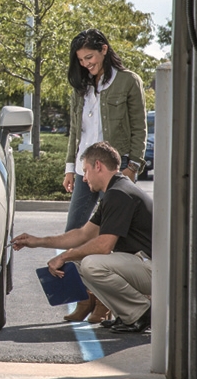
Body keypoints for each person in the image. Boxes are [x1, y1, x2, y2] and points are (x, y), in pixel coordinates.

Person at [13, 142, 153, 333]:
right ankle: (127, 314)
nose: (84, 178)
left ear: (98, 166)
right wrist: (36, 241)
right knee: (77, 263)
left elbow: (104, 246)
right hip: (142, 265)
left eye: (86, 171)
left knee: (91, 264)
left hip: (155, 271)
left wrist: (64, 256)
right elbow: (83, 234)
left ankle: (140, 313)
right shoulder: (115, 190)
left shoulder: (119, 194)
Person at [60, 28, 147, 323]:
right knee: (75, 230)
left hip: (114, 171)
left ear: (104, 50)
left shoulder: (128, 81)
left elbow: (139, 127)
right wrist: (70, 168)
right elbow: (76, 131)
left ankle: (104, 304)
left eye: (90, 57)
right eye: (81, 60)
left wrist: (132, 167)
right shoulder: (82, 87)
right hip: (85, 170)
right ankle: (85, 299)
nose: (86, 64)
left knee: (111, 238)